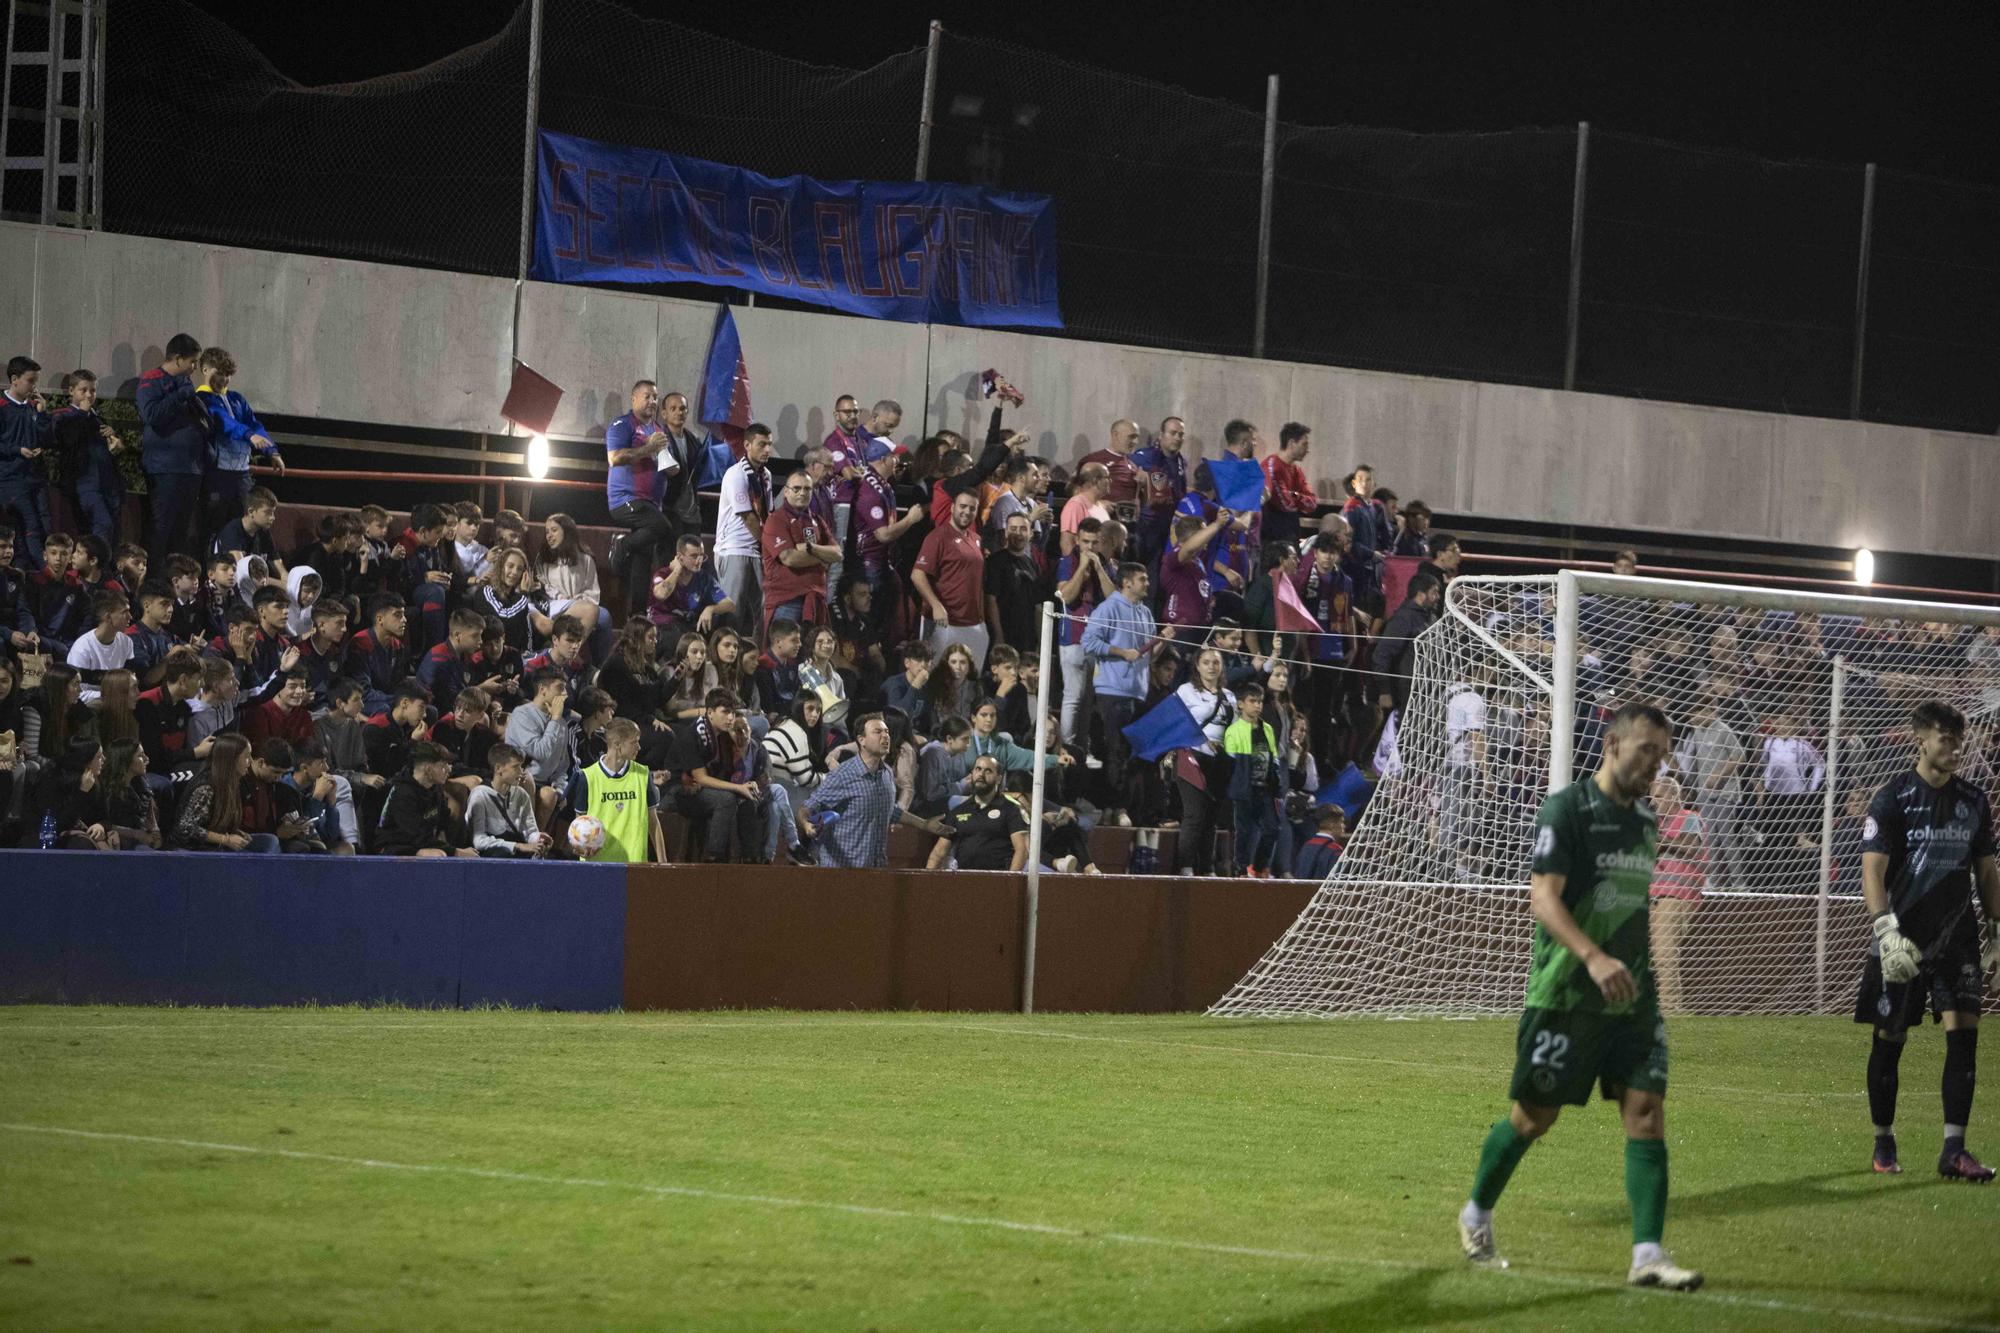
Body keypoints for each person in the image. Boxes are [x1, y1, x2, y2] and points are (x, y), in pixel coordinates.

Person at [1456, 702, 1701, 1291]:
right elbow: (1544, 898)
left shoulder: (1646, 823)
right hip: (1565, 994)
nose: (1656, 764)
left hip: (1631, 1001)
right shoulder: (1565, 810)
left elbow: (1634, 907)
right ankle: (1476, 1213)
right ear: (1613, 744)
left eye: (1662, 755)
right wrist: (1592, 958)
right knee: (1532, 1119)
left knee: (1646, 1114)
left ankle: (1647, 1255)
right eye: (1646, 750)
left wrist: (1636, 973)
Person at [1855, 700, 2000, 1182]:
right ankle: (1883, 1141)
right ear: (1921, 738)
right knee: (1890, 1040)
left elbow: (1986, 872)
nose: (1956, 749)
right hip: (1902, 936)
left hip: (1957, 936)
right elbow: (1872, 870)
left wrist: (1996, 928)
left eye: (1960, 740)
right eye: (1946, 739)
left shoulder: (1975, 801)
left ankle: (1953, 1151)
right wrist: (1884, 929)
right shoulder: (1892, 798)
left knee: (1964, 1039)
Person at [1081, 561, 1169, 822]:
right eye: (1142, 579)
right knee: (1115, 751)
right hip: (1113, 690)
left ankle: (1121, 805)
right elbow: (1089, 642)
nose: (1148, 583)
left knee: (1132, 753)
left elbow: (1149, 657)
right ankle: (1115, 806)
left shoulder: (1145, 613)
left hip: (1138, 692)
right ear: (1127, 582)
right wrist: (1121, 652)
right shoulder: (1108, 608)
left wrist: (1162, 640)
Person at [802, 711, 946, 868]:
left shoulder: (887, 773)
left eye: (887, 732)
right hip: (842, 871)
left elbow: (890, 810)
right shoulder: (843, 775)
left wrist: (924, 824)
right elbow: (809, 806)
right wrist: (806, 824)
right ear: (861, 740)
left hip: (876, 869)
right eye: (878, 732)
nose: (885, 736)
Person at [194, 347, 285, 537]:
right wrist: (249, 435)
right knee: (213, 529)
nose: (224, 379)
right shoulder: (201, 398)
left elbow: (255, 424)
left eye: (228, 375)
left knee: (242, 528)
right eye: (219, 373)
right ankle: (212, 566)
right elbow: (223, 421)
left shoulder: (236, 399)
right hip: (217, 475)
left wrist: (272, 452)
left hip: (242, 475)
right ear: (205, 370)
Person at [604, 379, 676, 615]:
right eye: (647, 396)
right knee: (664, 528)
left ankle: (637, 616)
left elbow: (666, 463)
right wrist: (647, 448)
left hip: (651, 503)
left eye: (655, 397)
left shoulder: (657, 429)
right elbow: (614, 457)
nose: (652, 401)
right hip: (626, 499)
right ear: (633, 399)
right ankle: (622, 544)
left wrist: (671, 466)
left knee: (642, 559)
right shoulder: (622, 424)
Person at [670, 687, 766, 863]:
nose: (730, 717)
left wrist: (746, 786)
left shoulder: (722, 735)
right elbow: (700, 778)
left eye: (733, 713)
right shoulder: (692, 735)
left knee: (747, 800)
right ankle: (714, 858)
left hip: (706, 789)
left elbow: (729, 774)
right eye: (725, 712)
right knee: (726, 799)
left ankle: (750, 859)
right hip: (681, 790)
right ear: (710, 712)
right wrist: (738, 787)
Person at [138, 334, 207, 562]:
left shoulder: (185, 382)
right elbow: (152, 415)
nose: (195, 367)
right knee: (161, 527)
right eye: (192, 361)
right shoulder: (152, 379)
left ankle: (175, 581)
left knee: (182, 530)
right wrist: (179, 396)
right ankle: (155, 578)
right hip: (164, 468)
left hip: (190, 468)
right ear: (178, 359)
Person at [1173, 646, 1237, 877]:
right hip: (1192, 757)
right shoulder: (1186, 691)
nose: (1211, 666)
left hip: (1219, 761)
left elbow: (1235, 729)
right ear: (1197, 666)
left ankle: (1206, 867)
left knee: (1211, 818)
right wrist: (1200, 739)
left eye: (1216, 663)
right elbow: (1175, 721)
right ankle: (1186, 865)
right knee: (1194, 814)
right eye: (1206, 662)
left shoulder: (1229, 696)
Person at [911, 489, 989, 668]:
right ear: (952, 507)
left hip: (974, 624)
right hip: (944, 623)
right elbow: (917, 574)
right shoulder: (937, 537)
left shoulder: (977, 540)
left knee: (971, 681)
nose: (967, 512)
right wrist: (936, 605)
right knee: (934, 677)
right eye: (962, 506)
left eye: (972, 508)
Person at [566, 717, 662, 863]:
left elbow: (653, 823)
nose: (639, 747)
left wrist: (664, 863)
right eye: (634, 742)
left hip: (634, 865)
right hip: (597, 864)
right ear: (617, 744)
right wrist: (580, 848)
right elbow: (579, 823)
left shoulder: (643, 775)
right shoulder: (587, 777)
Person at [1647, 774, 1705, 1014]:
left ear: (1674, 795)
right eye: (1651, 796)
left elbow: (1691, 847)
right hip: (1654, 897)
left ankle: (1671, 1011)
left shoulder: (1689, 819)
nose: (1653, 801)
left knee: (1664, 953)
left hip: (1678, 895)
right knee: (1651, 955)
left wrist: (1660, 840)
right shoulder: (1654, 825)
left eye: (1658, 796)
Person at [172, 731, 281, 853]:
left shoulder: (232, 782)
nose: (250, 762)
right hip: (196, 849)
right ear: (231, 759)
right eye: (246, 757)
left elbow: (218, 824)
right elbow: (186, 828)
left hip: (218, 844)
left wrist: (237, 833)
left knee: (269, 841)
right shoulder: (206, 788)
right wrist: (225, 839)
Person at [714, 423, 774, 640]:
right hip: (734, 549)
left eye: (769, 444)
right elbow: (749, 518)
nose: (767, 450)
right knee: (733, 613)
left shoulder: (765, 475)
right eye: (762, 444)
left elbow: (767, 514)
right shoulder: (736, 475)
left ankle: (758, 661)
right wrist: (773, 549)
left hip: (757, 550)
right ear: (747, 445)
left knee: (766, 611)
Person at [51, 369, 124, 545]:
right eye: (83, 390)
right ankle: (96, 567)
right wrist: (82, 414)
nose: (88, 395)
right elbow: (68, 441)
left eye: (92, 390)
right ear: (71, 391)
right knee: (102, 526)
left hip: (108, 483)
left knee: (113, 530)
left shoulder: (97, 418)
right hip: (85, 485)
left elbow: (107, 451)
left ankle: (106, 568)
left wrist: (116, 442)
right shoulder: (64, 416)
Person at [762, 471, 839, 635]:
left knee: (811, 657)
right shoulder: (776, 520)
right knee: (784, 655)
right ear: (786, 491)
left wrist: (810, 548)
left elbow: (838, 554)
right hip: (787, 601)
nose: (802, 493)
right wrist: (823, 557)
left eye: (807, 489)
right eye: (797, 488)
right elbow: (789, 558)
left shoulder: (817, 520)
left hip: (815, 600)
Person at [926, 754, 1029, 871]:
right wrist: (926, 880)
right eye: (978, 769)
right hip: (965, 881)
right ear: (972, 774)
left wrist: (1010, 881)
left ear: (999, 779)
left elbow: (1022, 850)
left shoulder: (1011, 809)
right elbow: (939, 852)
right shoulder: (958, 811)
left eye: (988, 771)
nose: (981, 774)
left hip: (998, 882)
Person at [0, 355, 54, 566]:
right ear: (14, 379)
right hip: (11, 478)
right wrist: (17, 450)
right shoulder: (2, 406)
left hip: (36, 476)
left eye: (36, 381)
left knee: (45, 523)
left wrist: (43, 415)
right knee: (29, 523)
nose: (34, 386)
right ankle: (40, 571)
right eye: (30, 380)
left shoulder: (33, 406)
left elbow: (48, 438)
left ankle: (41, 568)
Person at [377, 740, 474, 857]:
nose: (449, 769)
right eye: (444, 765)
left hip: (419, 843)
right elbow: (417, 837)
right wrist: (455, 852)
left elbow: (442, 825)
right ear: (428, 769)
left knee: (443, 854)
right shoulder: (403, 793)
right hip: (393, 846)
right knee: (438, 855)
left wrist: (453, 849)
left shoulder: (435, 789)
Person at [465, 743, 552, 858]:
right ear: (498, 768)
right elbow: (479, 840)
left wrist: (538, 838)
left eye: (521, 767)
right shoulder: (480, 795)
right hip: (491, 855)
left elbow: (530, 832)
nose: (521, 772)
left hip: (515, 850)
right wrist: (516, 846)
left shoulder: (521, 795)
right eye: (516, 767)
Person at [1129, 417, 1188, 569]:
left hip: (1168, 529)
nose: (1177, 438)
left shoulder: (1181, 462)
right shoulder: (1143, 457)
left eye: (1181, 434)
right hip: (1146, 528)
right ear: (1161, 435)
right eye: (1173, 433)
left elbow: (1179, 491)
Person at [1260, 422, 1317, 547]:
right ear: (1291, 444)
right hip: (1272, 540)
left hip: (1291, 536)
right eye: (1304, 444)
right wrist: (1299, 499)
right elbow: (1285, 505)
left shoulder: (1296, 470)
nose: (1308, 450)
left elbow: (1312, 504)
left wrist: (1295, 496)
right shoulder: (1272, 466)